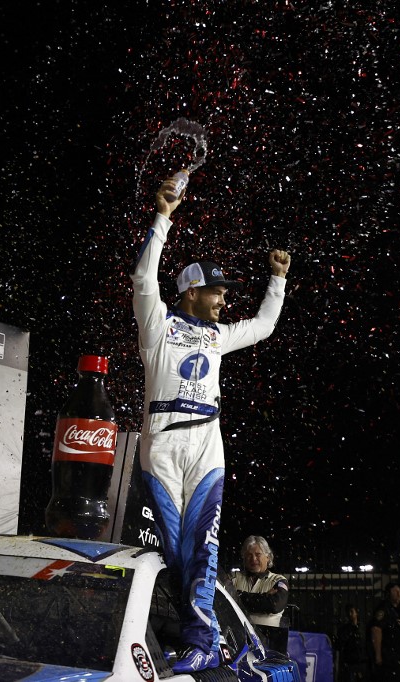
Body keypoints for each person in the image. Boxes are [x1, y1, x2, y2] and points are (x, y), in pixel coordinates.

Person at [130, 173, 290, 672]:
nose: (224, 300)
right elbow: (141, 279)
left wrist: (279, 279)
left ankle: (203, 638)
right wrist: (163, 218)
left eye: (224, 293)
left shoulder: (220, 336)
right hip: (160, 445)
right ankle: (193, 631)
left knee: (203, 545)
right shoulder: (158, 324)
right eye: (216, 292)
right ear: (190, 292)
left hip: (207, 445)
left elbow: (264, 326)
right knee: (175, 551)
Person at [232, 536, 290, 653]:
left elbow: (275, 605)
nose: (253, 559)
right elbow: (222, 601)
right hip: (237, 640)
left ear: (268, 557)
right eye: (249, 555)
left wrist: (238, 596)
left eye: (258, 554)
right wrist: (264, 597)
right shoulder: (234, 577)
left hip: (269, 642)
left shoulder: (279, 580)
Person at [336, 604, 367, 682]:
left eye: (351, 611)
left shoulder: (362, 627)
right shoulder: (344, 629)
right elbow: (340, 644)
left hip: (361, 661)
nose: (350, 614)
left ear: (356, 613)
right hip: (351, 662)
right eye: (348, 612)